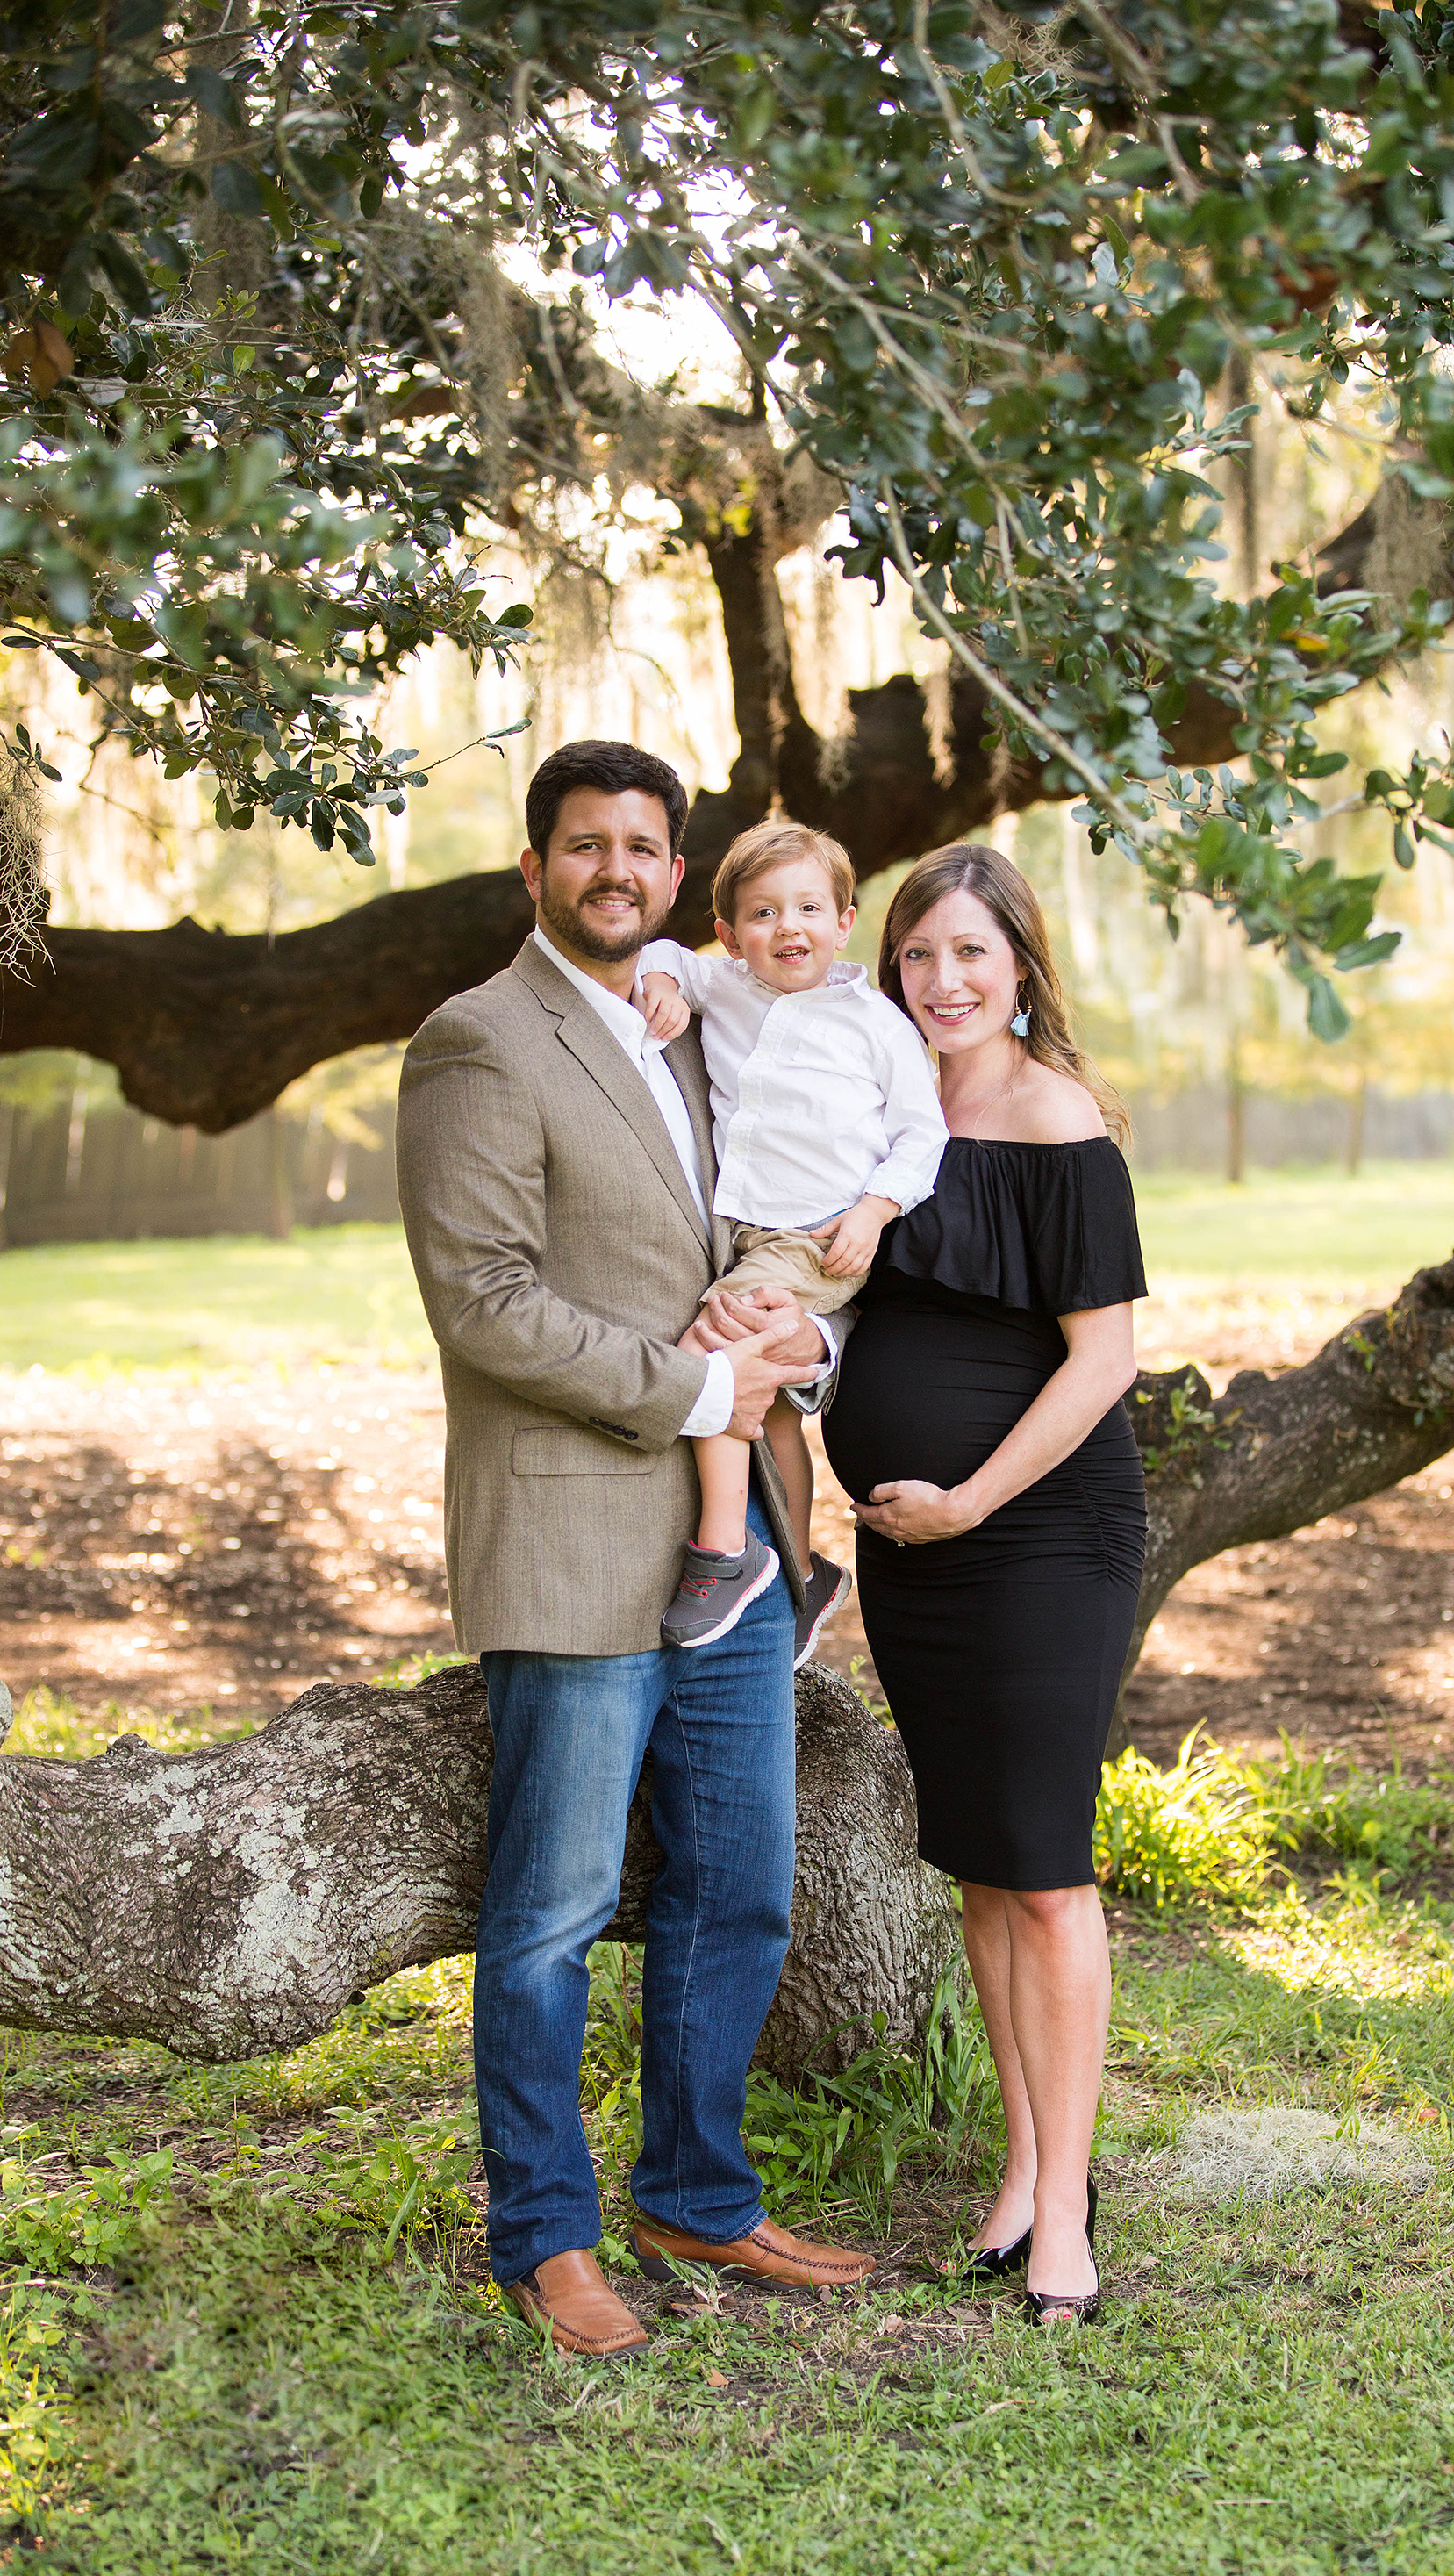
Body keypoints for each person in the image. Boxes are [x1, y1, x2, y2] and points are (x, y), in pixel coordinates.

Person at [395, 737, 875, 2361]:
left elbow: (766, 1236)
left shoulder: (696, 1031)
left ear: (679, 877)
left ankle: (698, 2195)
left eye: (644, 847)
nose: (617, 869)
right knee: (551, 1912)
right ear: (533, 870)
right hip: (574, 1536)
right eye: (586, 844)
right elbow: (485, 1303)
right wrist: (698, 1390)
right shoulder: (477, 1041)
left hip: (735, 1558)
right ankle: (546, 2238)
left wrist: (803, 1352)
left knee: (739, 1891)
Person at [821, 840, 1146, 2326]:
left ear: (1018, 965)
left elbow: (1104, 1359)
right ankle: (1021, 2169)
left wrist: (968, 1501)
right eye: (917, 955)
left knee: (1048, 1870)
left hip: (1038, 1536)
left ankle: (1068, 2211)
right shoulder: (885, 1112)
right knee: (982, 1867)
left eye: (969, 953)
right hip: (919, 1559)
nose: (942, 981)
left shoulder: (1055, 1119)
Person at [634, 822, 948, 1665]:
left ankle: (721, 1551)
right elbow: (664, 952)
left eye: (809, 908)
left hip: (819, 1237)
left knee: (712, 1353)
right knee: (771, 1408)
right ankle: (804, 1574)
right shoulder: (725, 984)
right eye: (764, 913)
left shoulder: (877, 1024)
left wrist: (874, 1212)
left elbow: (923, 1134)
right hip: (743, 1232)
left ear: (845, 921)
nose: (788, 928)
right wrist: (660, 981)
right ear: (731, 933)